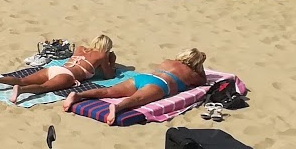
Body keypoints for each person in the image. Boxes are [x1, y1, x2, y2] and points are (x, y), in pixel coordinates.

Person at [63, 50, 208, 121]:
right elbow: (203, 80)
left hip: (143, 77)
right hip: (160, 85)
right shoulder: (191, 73)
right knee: (136, 100)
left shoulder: (168, 61)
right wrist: (199, 68)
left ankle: (78, 95)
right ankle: (117, 107)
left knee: (109, 91)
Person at [0, 36, 118, 103]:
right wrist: (111, 60)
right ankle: (20, 90)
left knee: (23, 79)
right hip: (68, 75)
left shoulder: (80, 48)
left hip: (55, 68)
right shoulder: (101, 55)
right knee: (43, 87)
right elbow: (109, 76)